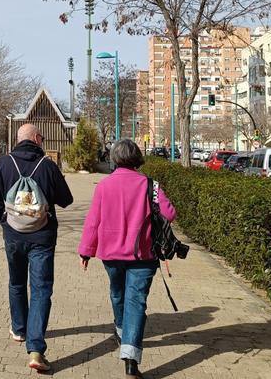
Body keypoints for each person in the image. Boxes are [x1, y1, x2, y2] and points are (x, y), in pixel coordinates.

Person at [77, 139, 176, 379]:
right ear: (137, 157)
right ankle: (131, 359)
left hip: (110, 254)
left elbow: (93, 221)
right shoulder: (151, 186)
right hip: (143, 253)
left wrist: (86, 251)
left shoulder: (104, 186)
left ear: (114, 157)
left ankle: (122, 332)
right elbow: (170, 213)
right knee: (137, 301)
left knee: (117, 293)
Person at [0, 124, 73, 372]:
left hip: (13, 235)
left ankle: (19, 329)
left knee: (16, 283)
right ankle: (36, 349)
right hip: (42, 237)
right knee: (41, 289)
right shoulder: (47, 165)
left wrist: (5, 222)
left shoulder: (4, 163)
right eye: (42, 137)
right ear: (36, 139)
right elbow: (66, 200)